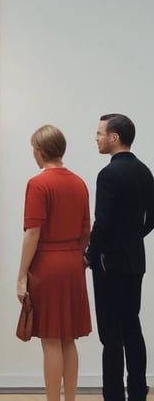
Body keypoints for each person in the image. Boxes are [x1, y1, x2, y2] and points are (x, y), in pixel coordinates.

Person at [17, 125, 91, 401]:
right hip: (73, 263)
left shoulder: (38, 184)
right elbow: (86, 231)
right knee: (68, 338)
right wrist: (74, 256)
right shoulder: (78, 182)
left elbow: (32, 232)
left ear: (39, 150)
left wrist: (21, 275)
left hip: (47, 264)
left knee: (50, 340)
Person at [86, 114, 154, 401]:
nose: (97, 138)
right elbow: (151, 218)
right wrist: (133, 237)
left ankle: (114, 395)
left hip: (108, 262)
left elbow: (102, 221)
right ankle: (138, 391)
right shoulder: (144, 171)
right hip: (135, 260)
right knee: (132, 326)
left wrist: (91, 253)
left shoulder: (109, 174)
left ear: (115, 137)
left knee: (110, 335)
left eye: (100, 133)